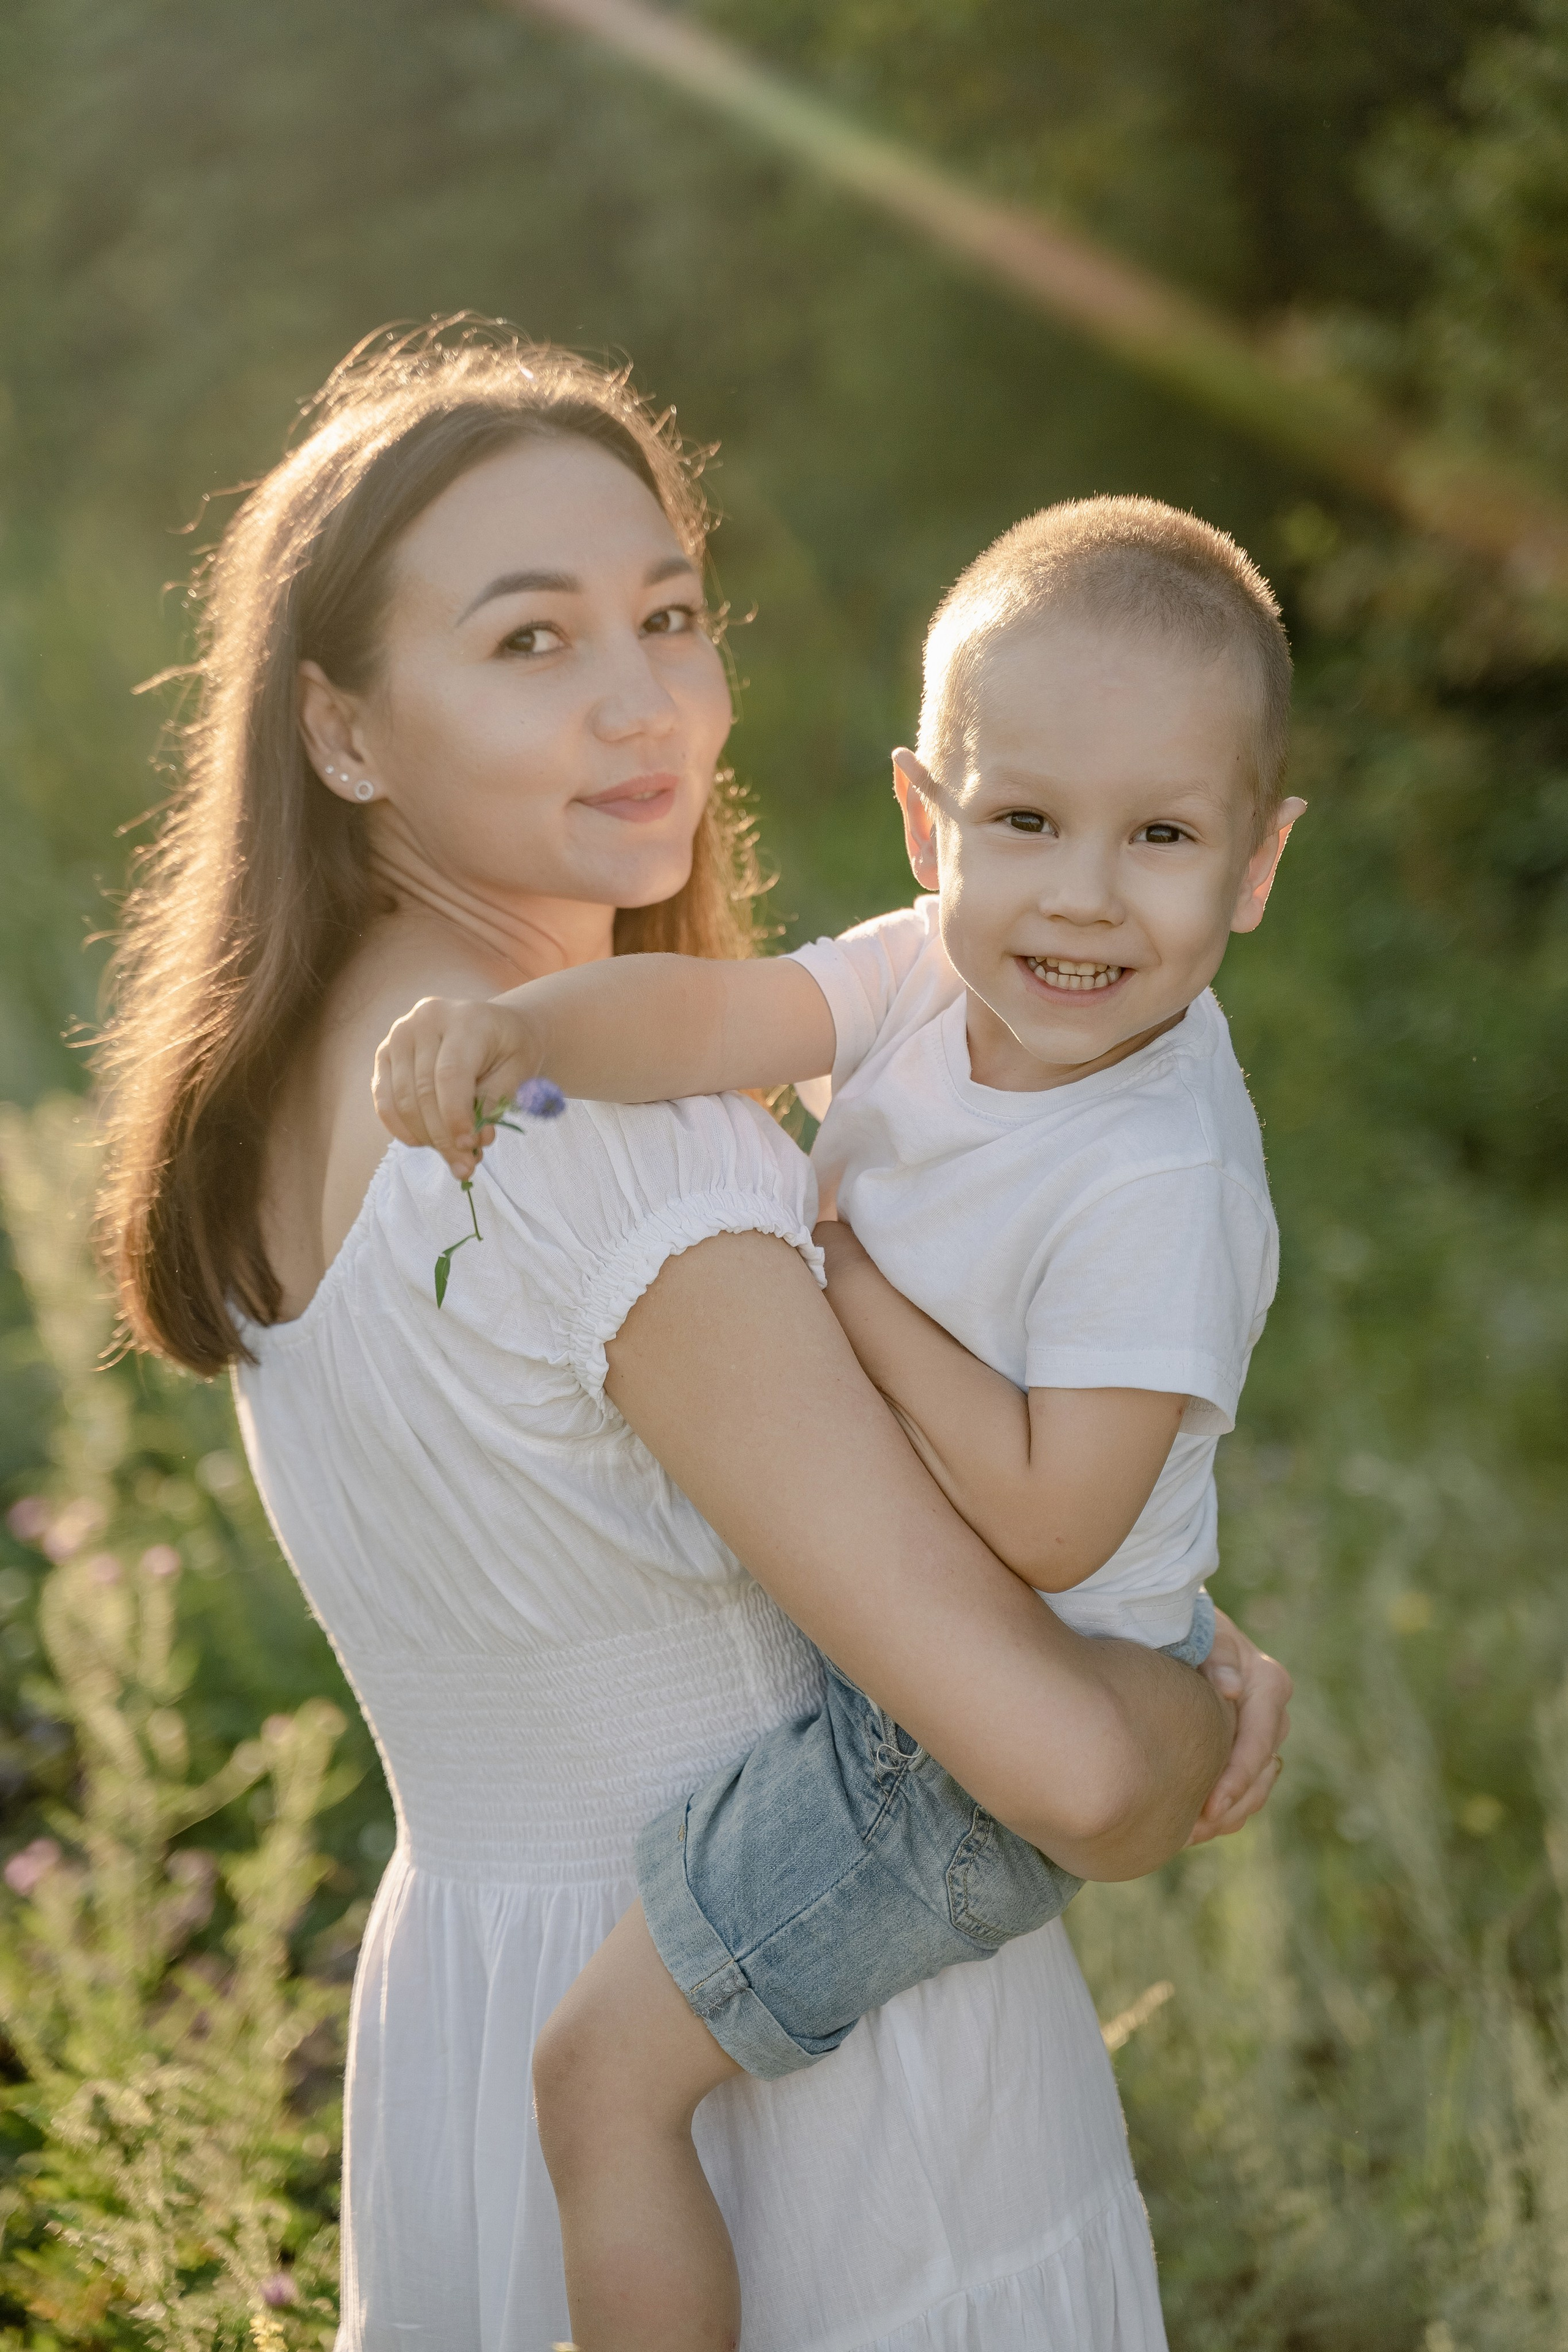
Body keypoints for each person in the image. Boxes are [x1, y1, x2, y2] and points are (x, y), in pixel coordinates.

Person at [97, 322, 1291, 2352]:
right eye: (532, 642)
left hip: (481, 2028)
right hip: (822, 2132)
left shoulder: (304, 1092)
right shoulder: (612, 1163)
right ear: (346, 729)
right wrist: (1195, 1709)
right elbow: (1079, 1778)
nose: (646, 702)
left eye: (667, 613)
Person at [375, 494, 1306, 2349]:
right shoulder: (925, 976)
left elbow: (1051, 1522)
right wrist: (529, 1035)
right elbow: (722, 1015)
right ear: (926, 820)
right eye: (1026, 821)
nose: (1084, 896)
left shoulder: (1153, 1170)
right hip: (970, 1651)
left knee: (598, 2083)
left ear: (1259, 864)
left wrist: (846, 1286)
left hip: (961, 1751)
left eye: (1165, 838)